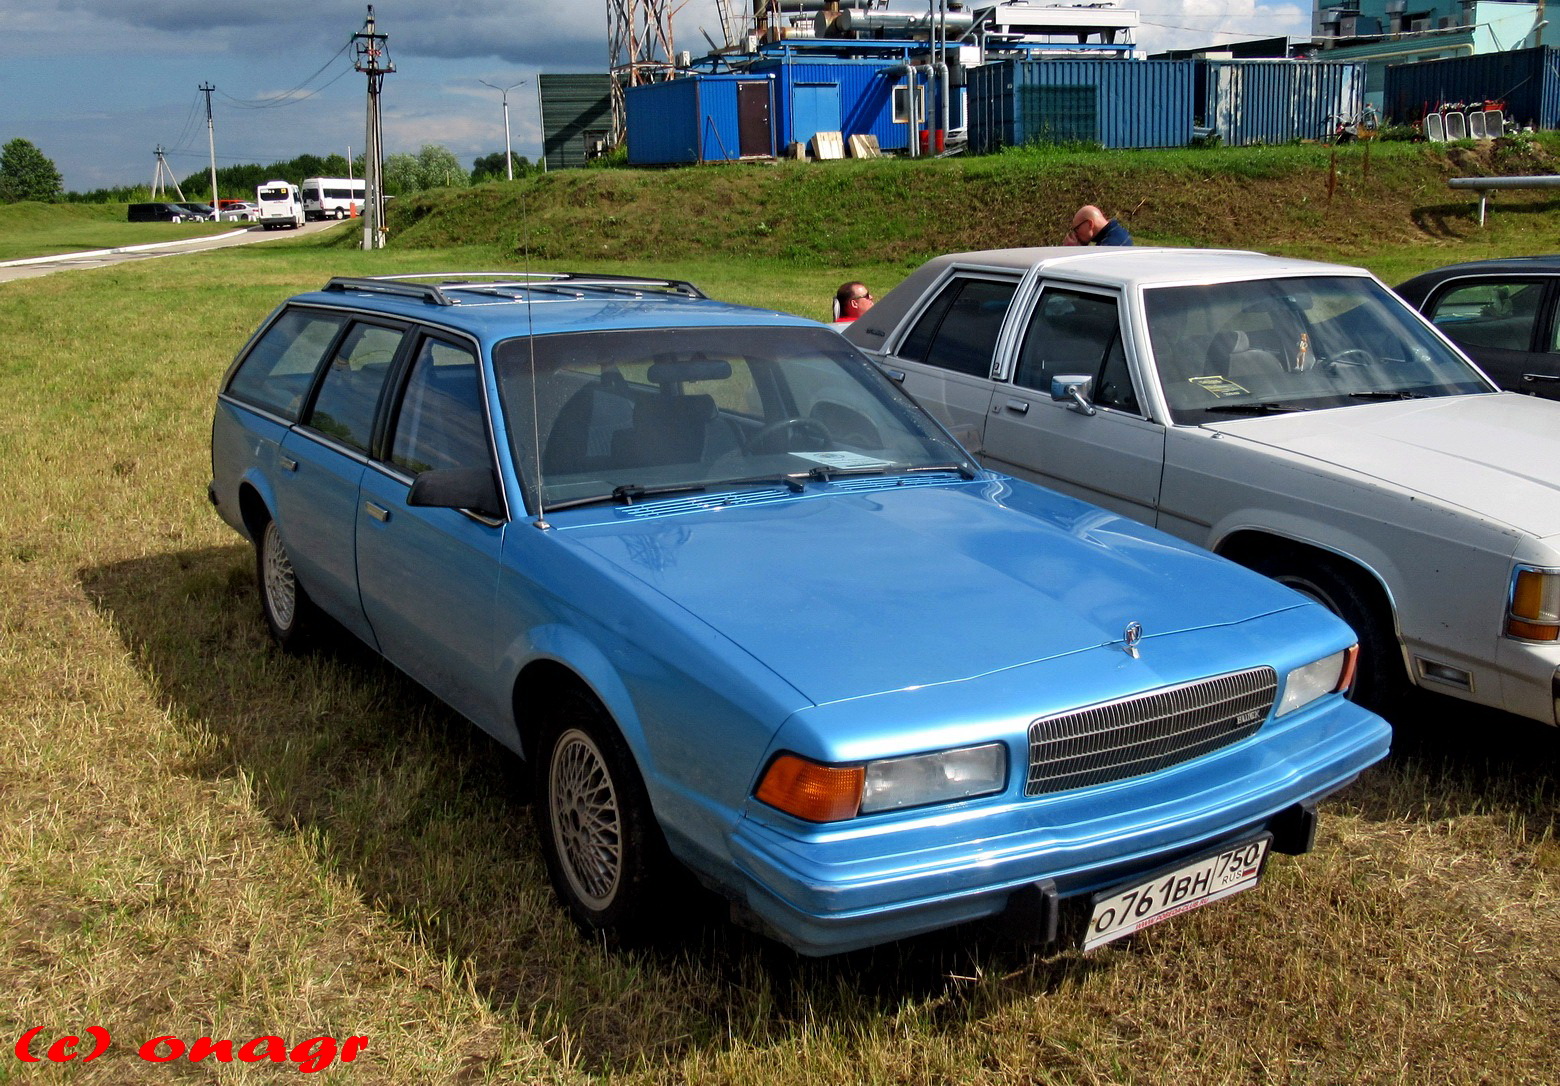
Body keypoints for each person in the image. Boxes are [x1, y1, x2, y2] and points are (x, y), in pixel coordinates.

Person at [1064, 205, 1132, 247]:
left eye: (1077, 229)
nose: (1076, 234)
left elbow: (1089, 268)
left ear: (1090, 224)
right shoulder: (1118, 232)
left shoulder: (1109, 245)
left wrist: (1074, 251)